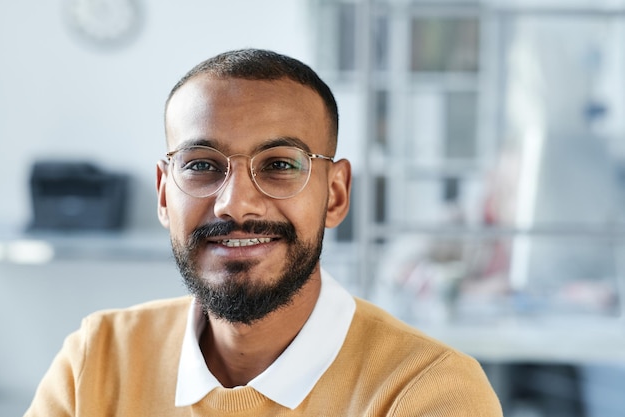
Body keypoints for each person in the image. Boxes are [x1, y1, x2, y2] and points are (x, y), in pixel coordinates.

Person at [25, 48, 502, 416]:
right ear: (164, 194)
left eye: (279, 165)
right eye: (201, 165)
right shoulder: (96, 360)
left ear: (335, 195)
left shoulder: (427, 392)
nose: (235, 203)